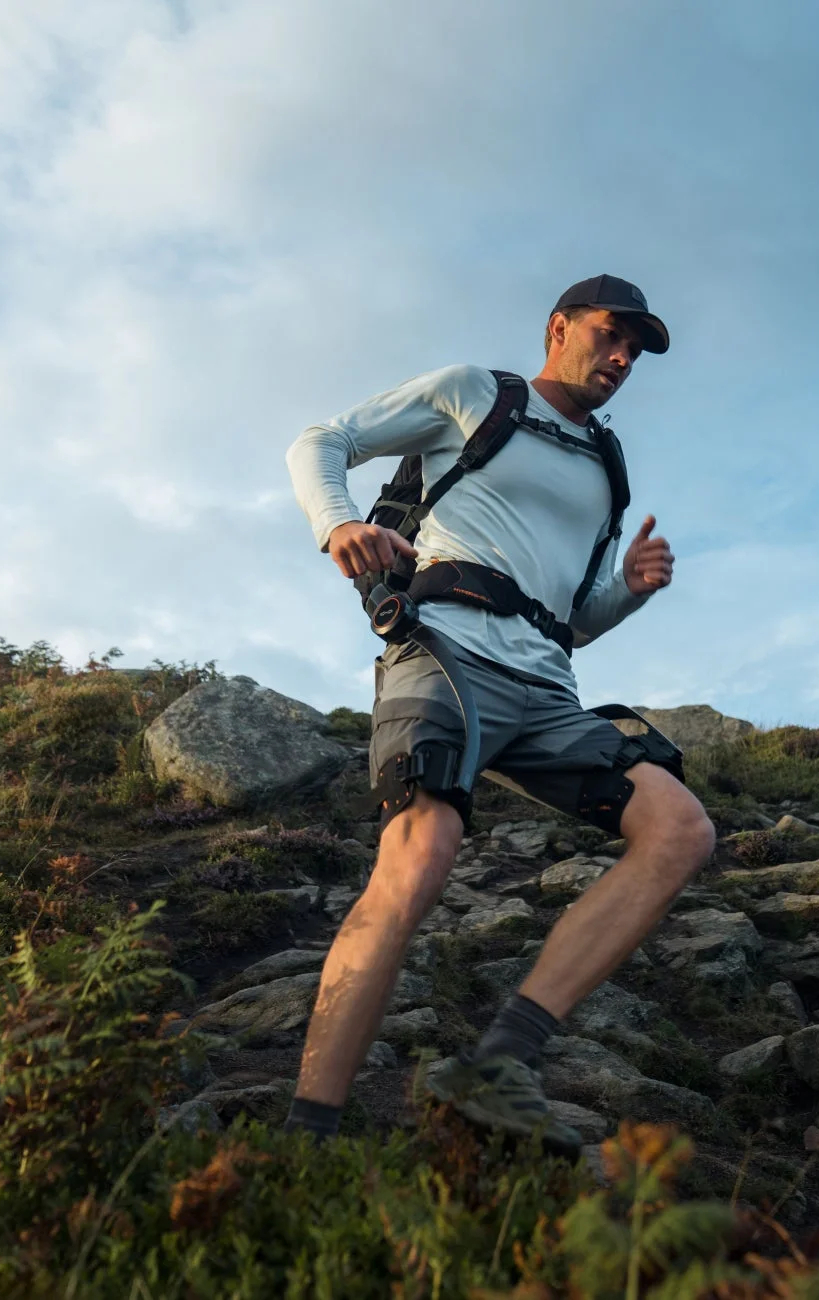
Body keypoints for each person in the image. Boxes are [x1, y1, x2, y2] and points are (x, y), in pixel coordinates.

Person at [283, 275, 715, 1152]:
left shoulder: (608, 469)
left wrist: (626, 591)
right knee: (420, 854)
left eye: (638, 349)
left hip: (547, 687)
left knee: (680, 830)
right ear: (560, 328)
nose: (625, 357)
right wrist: (336, 527)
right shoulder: (473, 394)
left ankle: (503, 1060)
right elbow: (322, 440)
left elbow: (574, 618)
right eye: (610, 335)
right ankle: (307, 1134)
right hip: (443, 651)